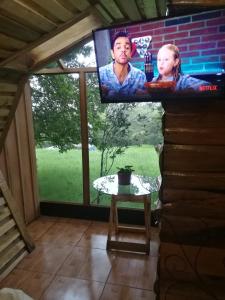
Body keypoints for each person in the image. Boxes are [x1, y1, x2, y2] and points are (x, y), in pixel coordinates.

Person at [99, 31, 147, 99]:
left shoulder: (140, 76)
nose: (123, 50)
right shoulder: (101, 74)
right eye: (118, 47)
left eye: (127, 47)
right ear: (112, 53)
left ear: (130, 53)